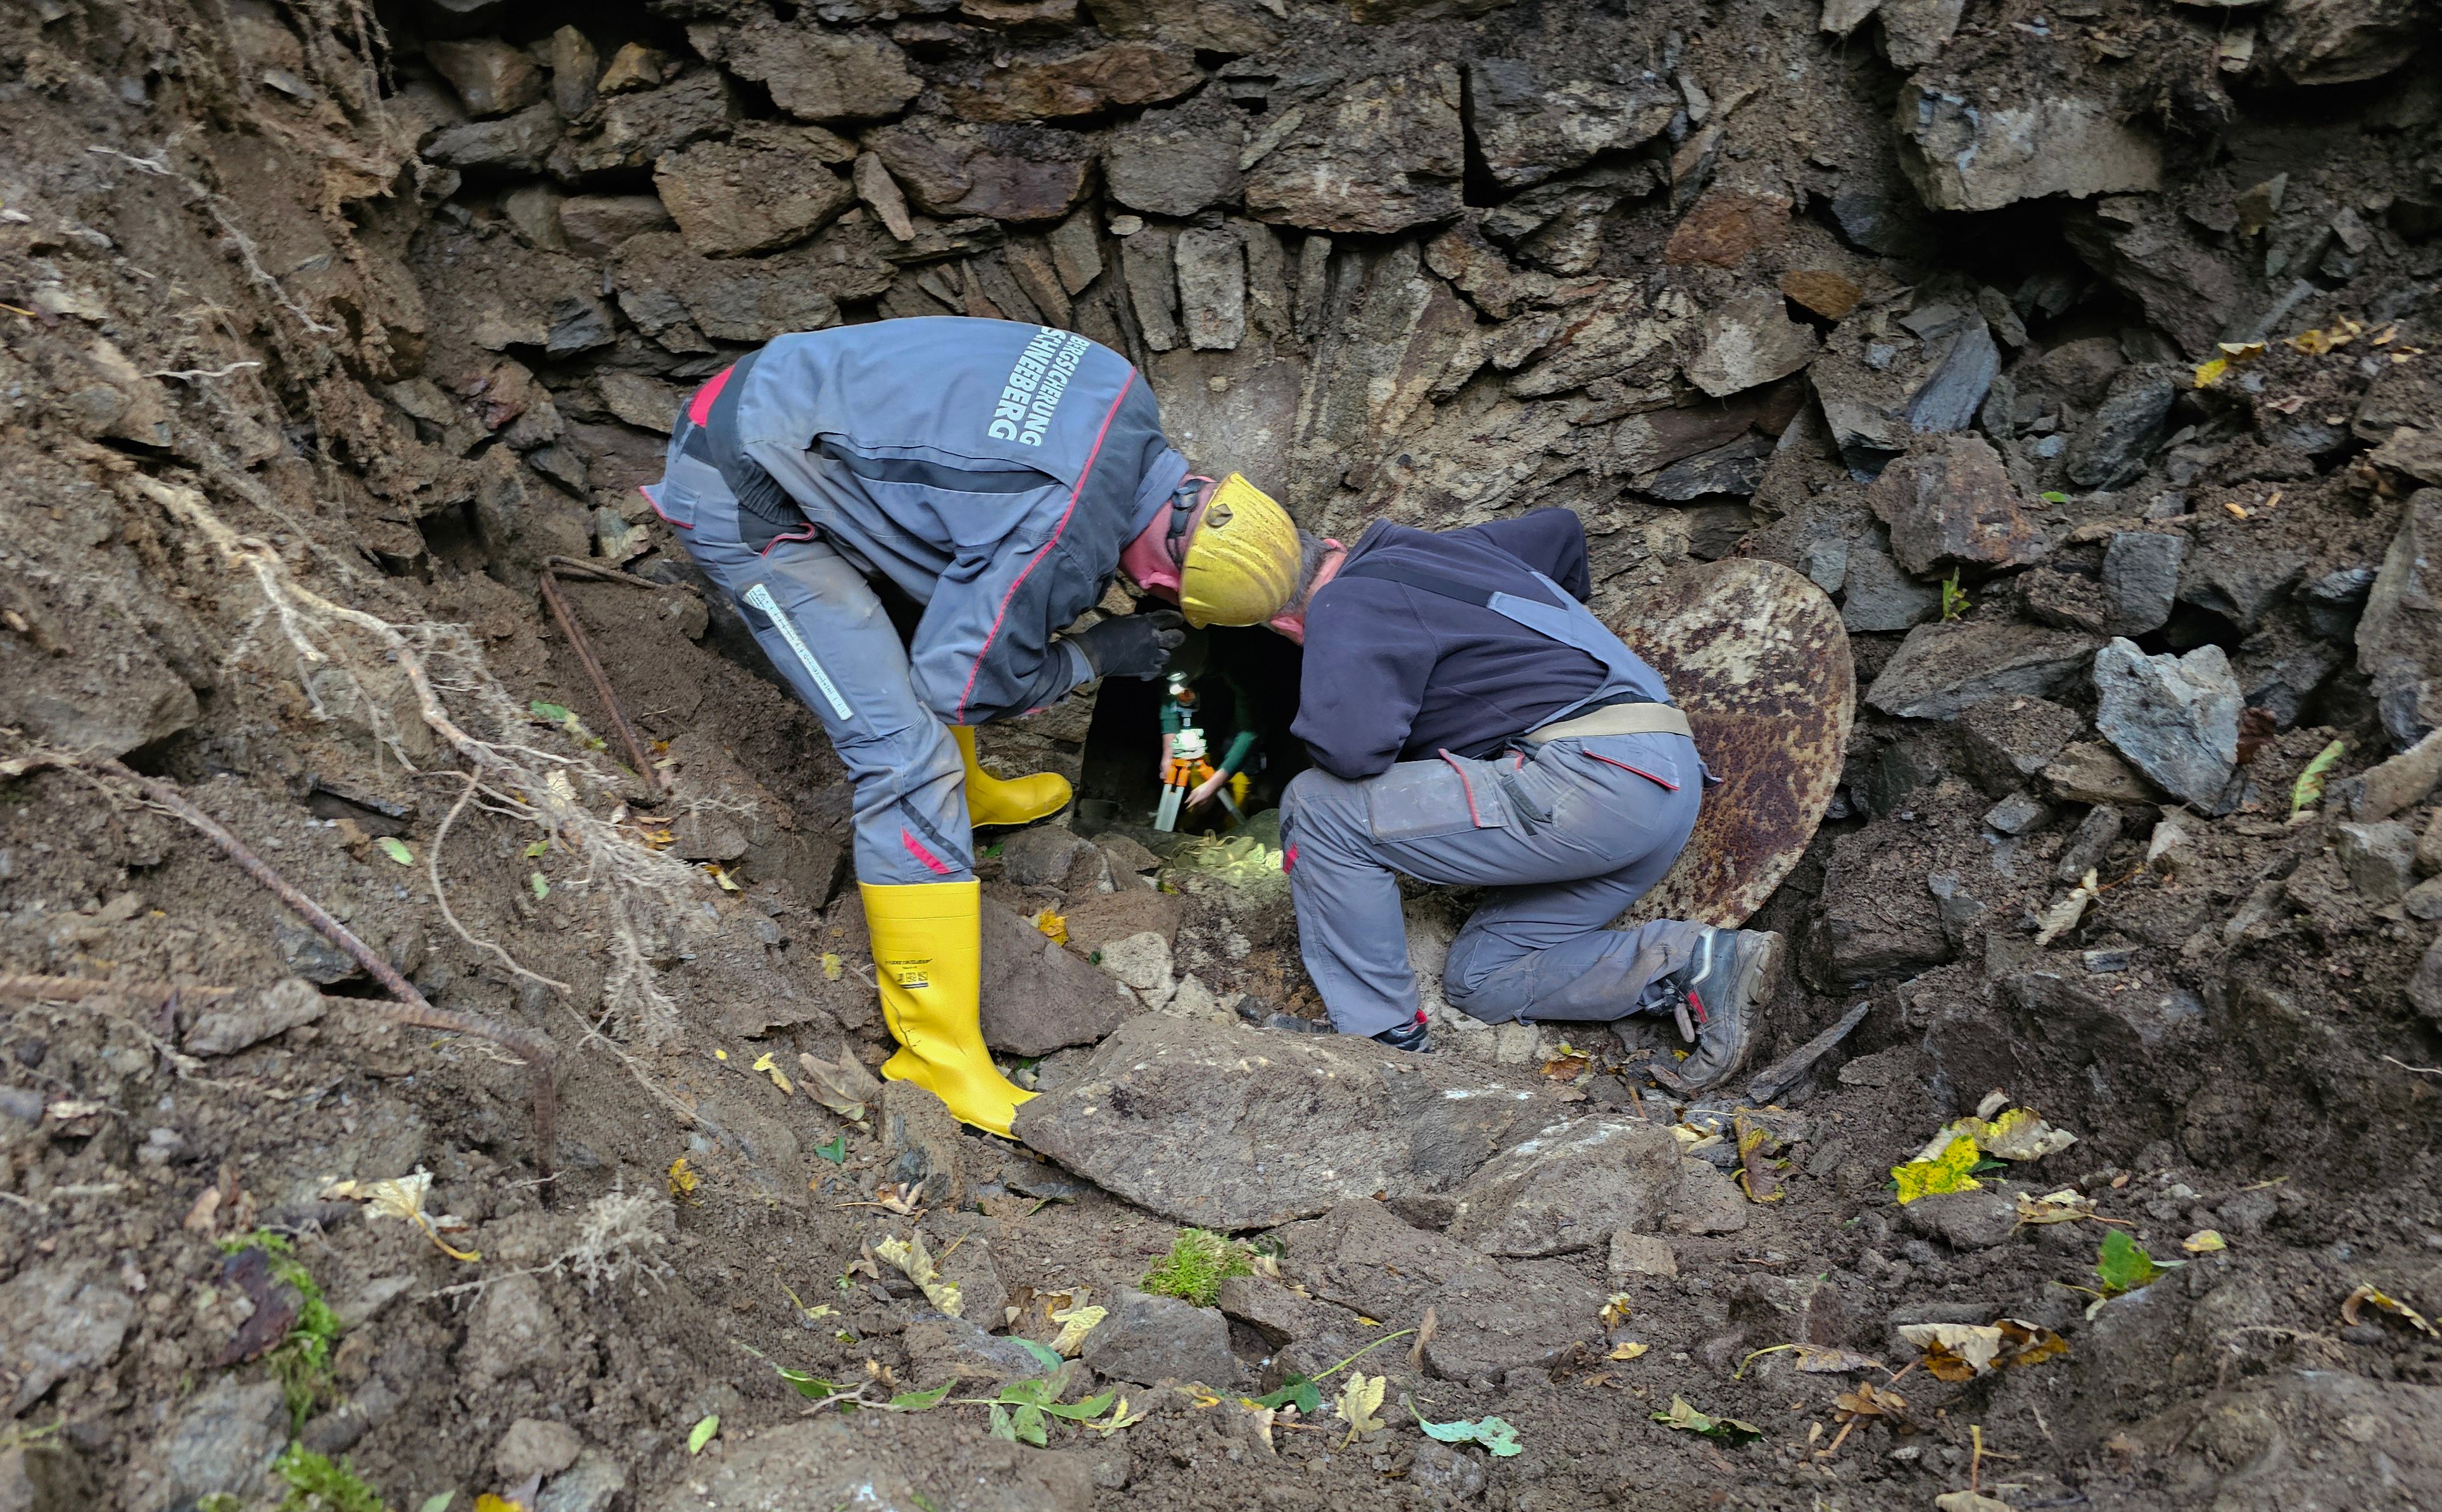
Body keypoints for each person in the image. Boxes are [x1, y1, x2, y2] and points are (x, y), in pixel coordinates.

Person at [639, 318, 1313, 1134]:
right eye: (1171, 598)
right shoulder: (1059, 539)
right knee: (904, 756)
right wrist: (1099, 653)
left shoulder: (1122, 389)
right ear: (1170, 578)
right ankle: (937, 1056)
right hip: (744, 487)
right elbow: (958, 687)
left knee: (957, 587)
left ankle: (974, 796)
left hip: (789, 396)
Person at [1221, 508, 1787, 1091]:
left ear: (1286, 625)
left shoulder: (1342, 602)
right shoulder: (1441, 552)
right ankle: (1698, 962)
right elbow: (1562, 530)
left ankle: (1380, 1039)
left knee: (1317, 807)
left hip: (1588, 781)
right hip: (1663, 785)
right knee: (1483, 980)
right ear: (1330, 542)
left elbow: (1350, 755)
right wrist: (1519, 665)